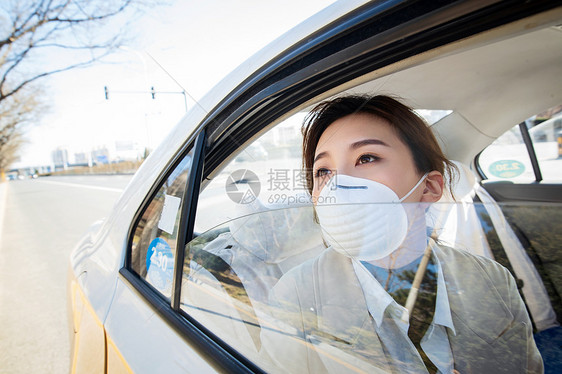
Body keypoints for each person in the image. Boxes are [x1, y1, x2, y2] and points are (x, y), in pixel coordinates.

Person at [259, 95, 543, 373]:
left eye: (366, 157)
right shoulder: (296, 296)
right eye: (323, 171)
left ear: (429, 187)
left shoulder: (493, 280)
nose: (339, 183)